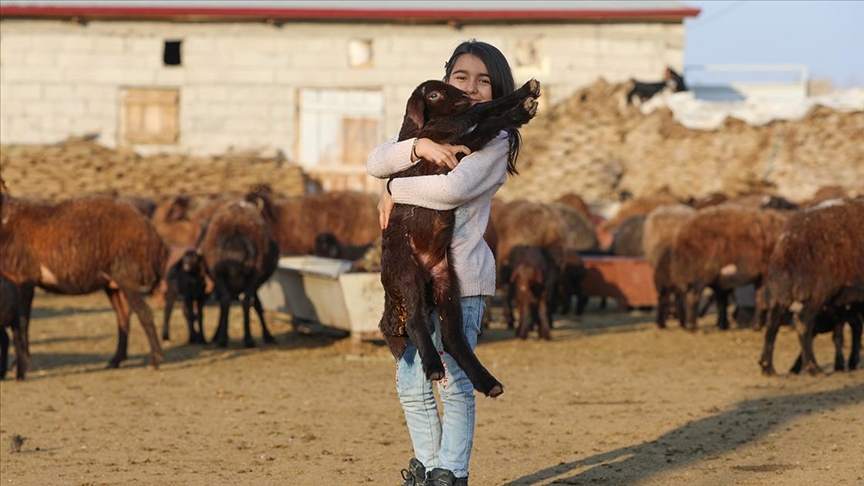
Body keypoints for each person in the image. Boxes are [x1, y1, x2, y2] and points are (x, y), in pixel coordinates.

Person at [366, 39, 523, 486]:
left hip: (462, 278)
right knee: (412, 381)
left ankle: (451, 472)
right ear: (446, 81)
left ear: (497, 91)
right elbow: (375, 160)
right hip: (411, 277)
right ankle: (429, 466)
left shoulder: (493, 139)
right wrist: (417, 150)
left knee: (453, 380)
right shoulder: (428, 132)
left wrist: (394, 191)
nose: (472, 87)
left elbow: (452, 190)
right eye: (461, 77)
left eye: (484, 81)